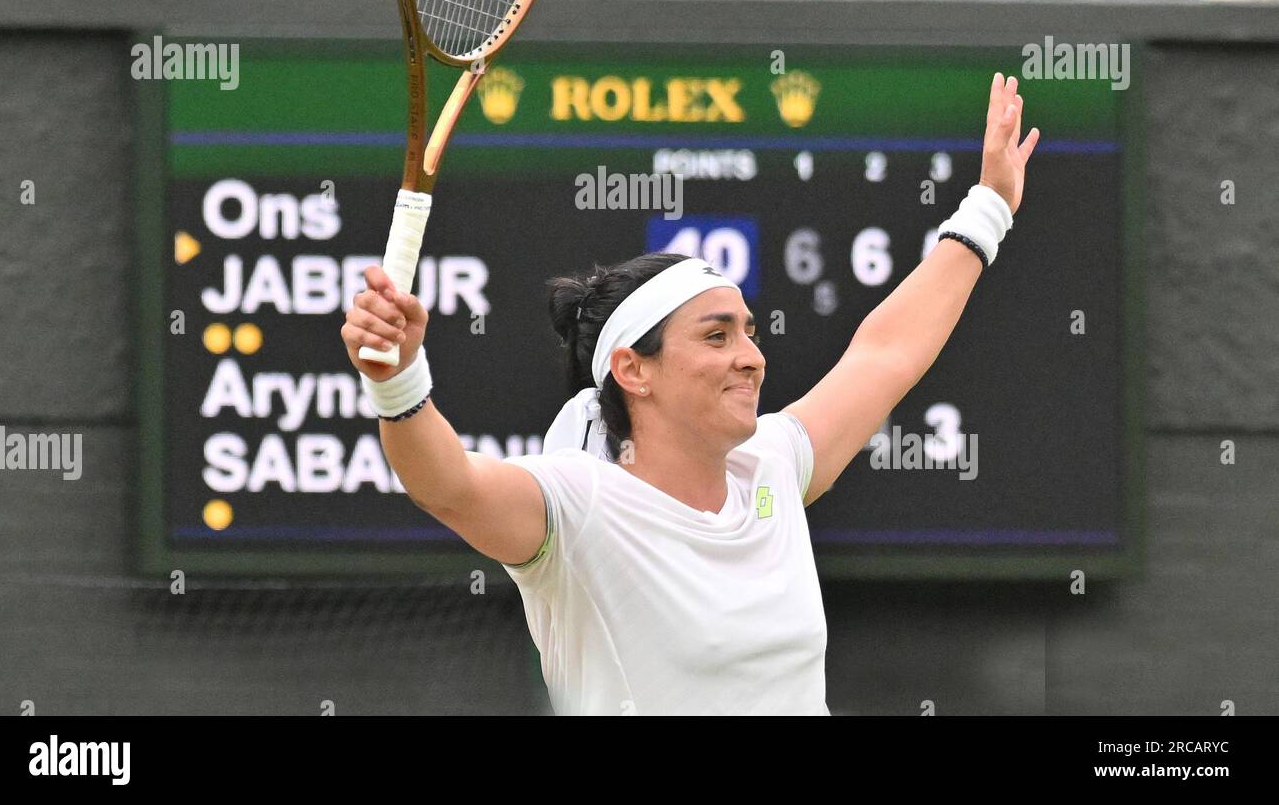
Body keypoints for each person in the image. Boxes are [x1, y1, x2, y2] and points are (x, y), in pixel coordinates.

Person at [342, 74, 1040, 716]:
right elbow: (447, 485)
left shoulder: (772, 466)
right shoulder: (577, 506)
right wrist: (397, 377)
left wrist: (988, 209)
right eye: (716, 337)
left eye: (749, 332)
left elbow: (885, 353)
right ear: (633, 370)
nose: (751, 358)